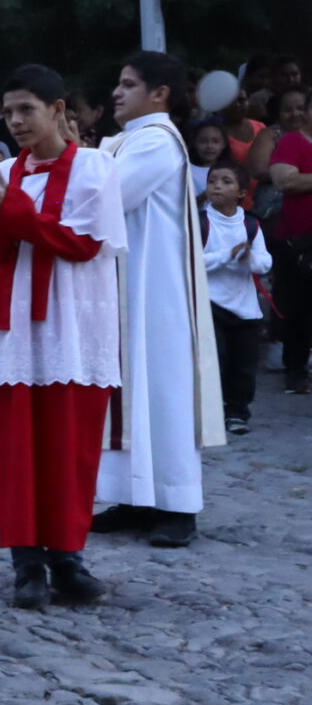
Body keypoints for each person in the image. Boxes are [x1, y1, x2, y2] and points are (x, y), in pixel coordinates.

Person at [0, 64, 126, 612]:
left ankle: (68, 558)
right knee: (17, 449)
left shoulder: (97, 169)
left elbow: (79, 244)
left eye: (27, 109)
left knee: (70, 445)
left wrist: (13, 214)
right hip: (14, 329)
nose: (16, 121)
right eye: (9, 112)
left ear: (58, 110)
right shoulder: (2, 174)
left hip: (75, 324)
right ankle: (26, 562)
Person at [89, 53, 224, 548]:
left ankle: (178, 502)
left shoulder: (156, 141)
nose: (116, 93)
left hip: (157, 288)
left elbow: (106, 195)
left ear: (160, 93)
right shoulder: (130, 139)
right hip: (130, 284)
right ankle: (136, 496)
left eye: (128, 84)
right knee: (132, 389)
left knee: (163, 391)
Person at [201, 164, 271, 437]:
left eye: (226, 181)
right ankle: (210, 412)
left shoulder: (250, 224)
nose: (217, 185)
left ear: (241, 193)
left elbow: (264, 262)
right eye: (213, 180)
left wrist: (247, 259)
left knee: (243, 364)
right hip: (211, 304)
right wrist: (228, 256)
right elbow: (192, 261)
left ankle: (237, 412)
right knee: (214, 360)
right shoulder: (201, 222)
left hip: (245, 308)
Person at [249, 86, 312, 395]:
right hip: (300, 240)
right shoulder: (292, 141)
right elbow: (284, 179)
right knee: (300, 306)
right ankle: (296, 370)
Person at [188, 120, 227, 197]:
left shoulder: (231, 170)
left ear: (223, 144)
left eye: (215, 141)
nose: (209, 146)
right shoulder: (187, 171)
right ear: (194, 143)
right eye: (203, 141)